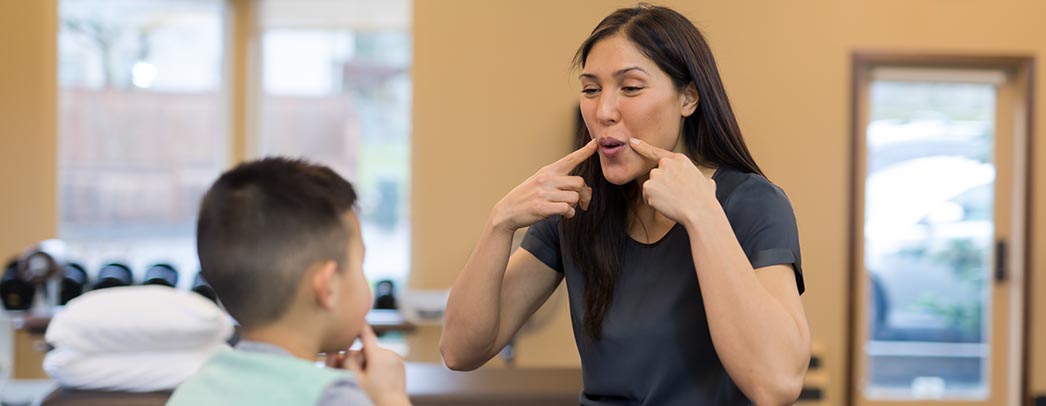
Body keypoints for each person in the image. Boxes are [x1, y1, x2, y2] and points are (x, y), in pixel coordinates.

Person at [440, 4, 810, 405]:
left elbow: (777, 383)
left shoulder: (753, 204)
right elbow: (460, 350)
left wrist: (703, 214)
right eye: (590, 89)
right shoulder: (581, 204)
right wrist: (500, 223)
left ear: (688, 98)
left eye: (630, 88)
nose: (603, 111)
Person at [168, 158, 411, 406]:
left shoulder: (194, 390)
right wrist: (390, 397)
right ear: (328, 287)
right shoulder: (336, 398)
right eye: (361, 265)